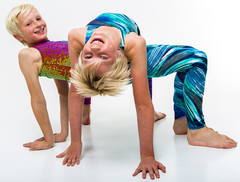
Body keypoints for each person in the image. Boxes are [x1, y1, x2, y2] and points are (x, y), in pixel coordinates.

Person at [57, 12, 237, 179]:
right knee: (196, 59)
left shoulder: (77, 37)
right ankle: (197, 129)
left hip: (128, 59)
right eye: (102, 57)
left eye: (89, 56)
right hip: (129, 58)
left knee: (90, 76)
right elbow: (140, 104)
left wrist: (76, 142)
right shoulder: (132, 44)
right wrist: (147, 156)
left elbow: (78, 84)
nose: (94, 49)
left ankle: (184, 121)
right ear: (121, 57)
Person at [5, 4, 92, 151]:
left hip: (95, 65)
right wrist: (61, 134)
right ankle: (85, 114)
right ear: (18, 36)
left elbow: (62, 94)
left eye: (38, 18)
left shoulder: (44, 50)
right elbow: (56, 95)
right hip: (89, 72)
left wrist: (48, 141)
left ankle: (85, 114)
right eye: (29, 23)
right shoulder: (29, 54)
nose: (38, 24)